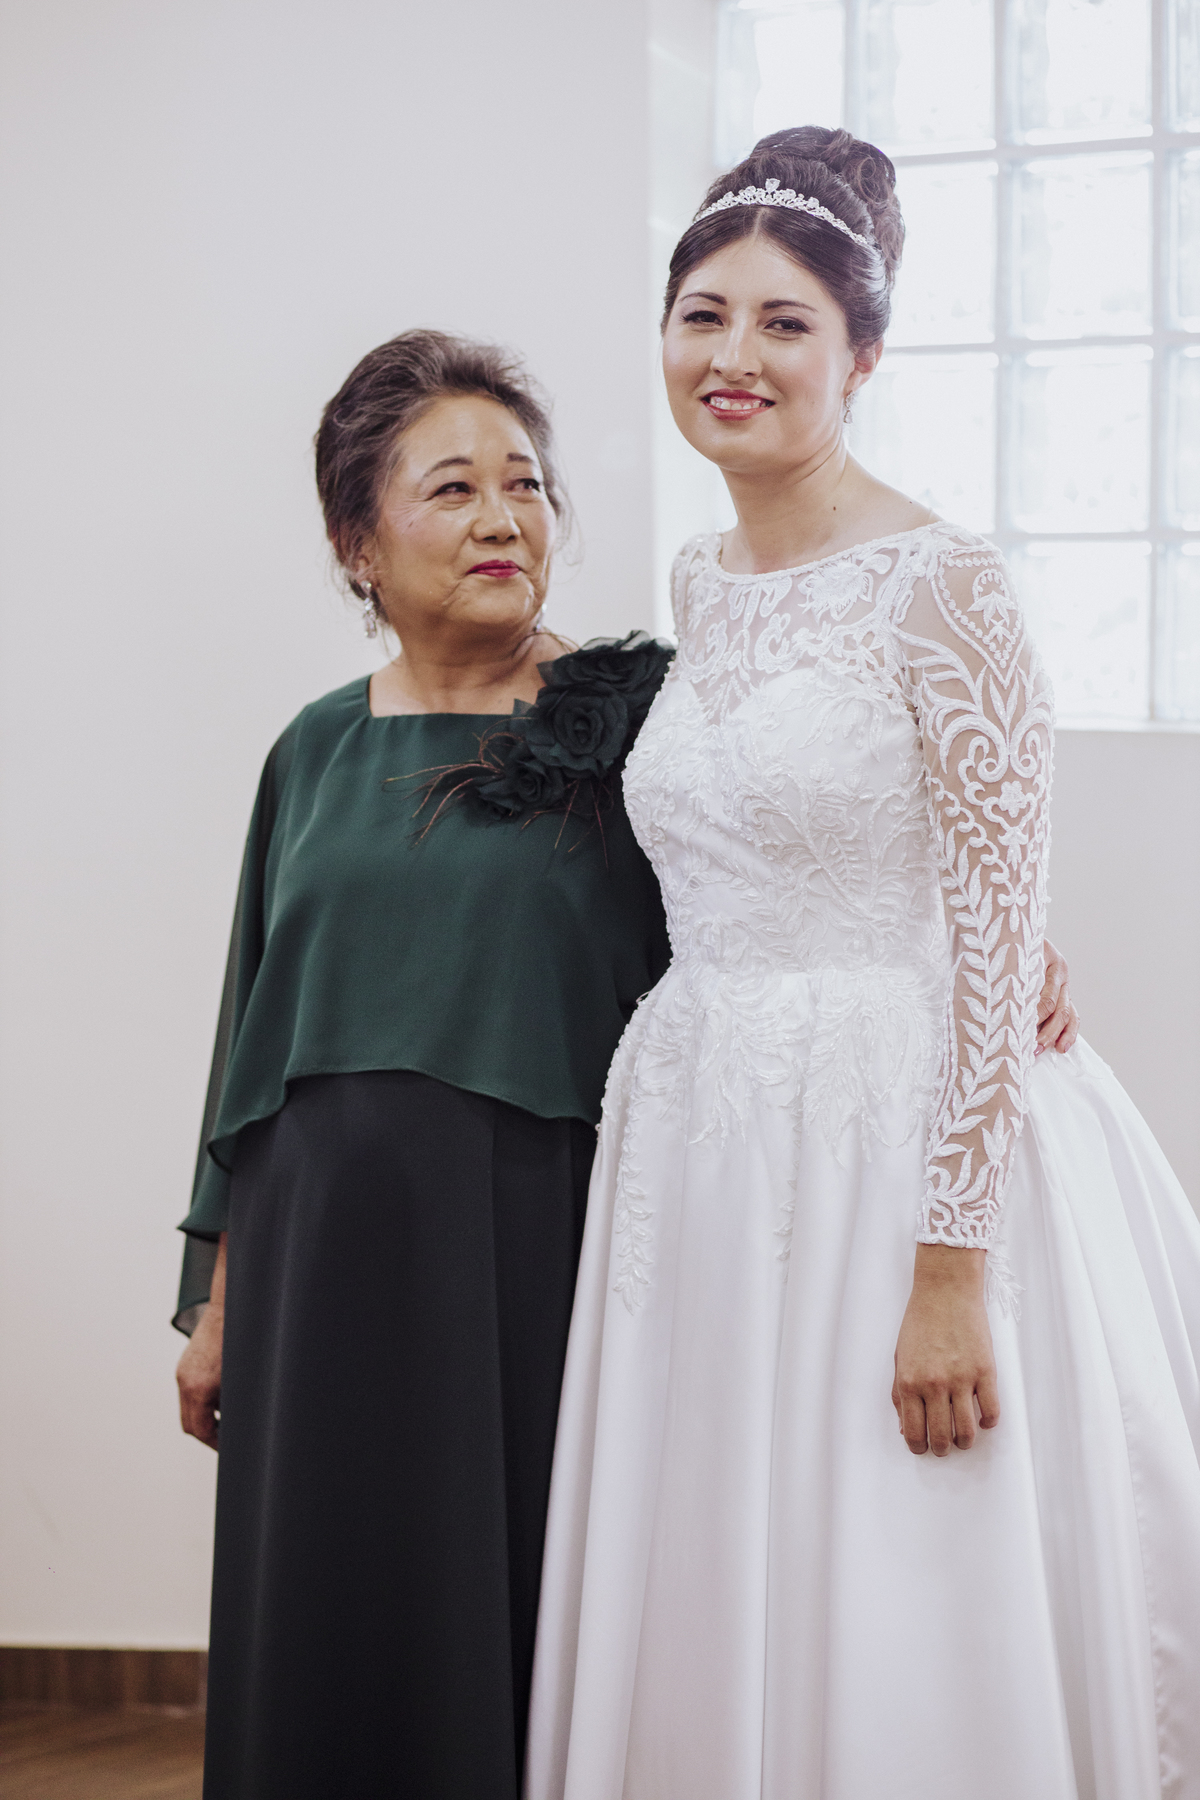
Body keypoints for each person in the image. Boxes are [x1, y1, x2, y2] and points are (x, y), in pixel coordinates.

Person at [526, 128, 1200, 1800]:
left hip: (896, 1145)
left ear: (865, 355)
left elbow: (995, 929)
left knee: (901, 1554)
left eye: (785, 323)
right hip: (704, 1138)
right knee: (721, 1543)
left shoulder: (946, 583)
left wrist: (953, 1265)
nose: (733, 355)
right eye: (702, 315)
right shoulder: (700, 581)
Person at [171, 329, 672, 1800]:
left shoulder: (642, 730)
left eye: (527, 483)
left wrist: (995, 942)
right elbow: (251, 1026)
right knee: (319, 1603)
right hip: (316, 1249)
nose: (504, 517)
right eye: (452, 488)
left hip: (533, 1240)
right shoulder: (312, 751)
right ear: (357, 541)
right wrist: (220, 1296)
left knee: (505, 1609)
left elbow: (796, 893)